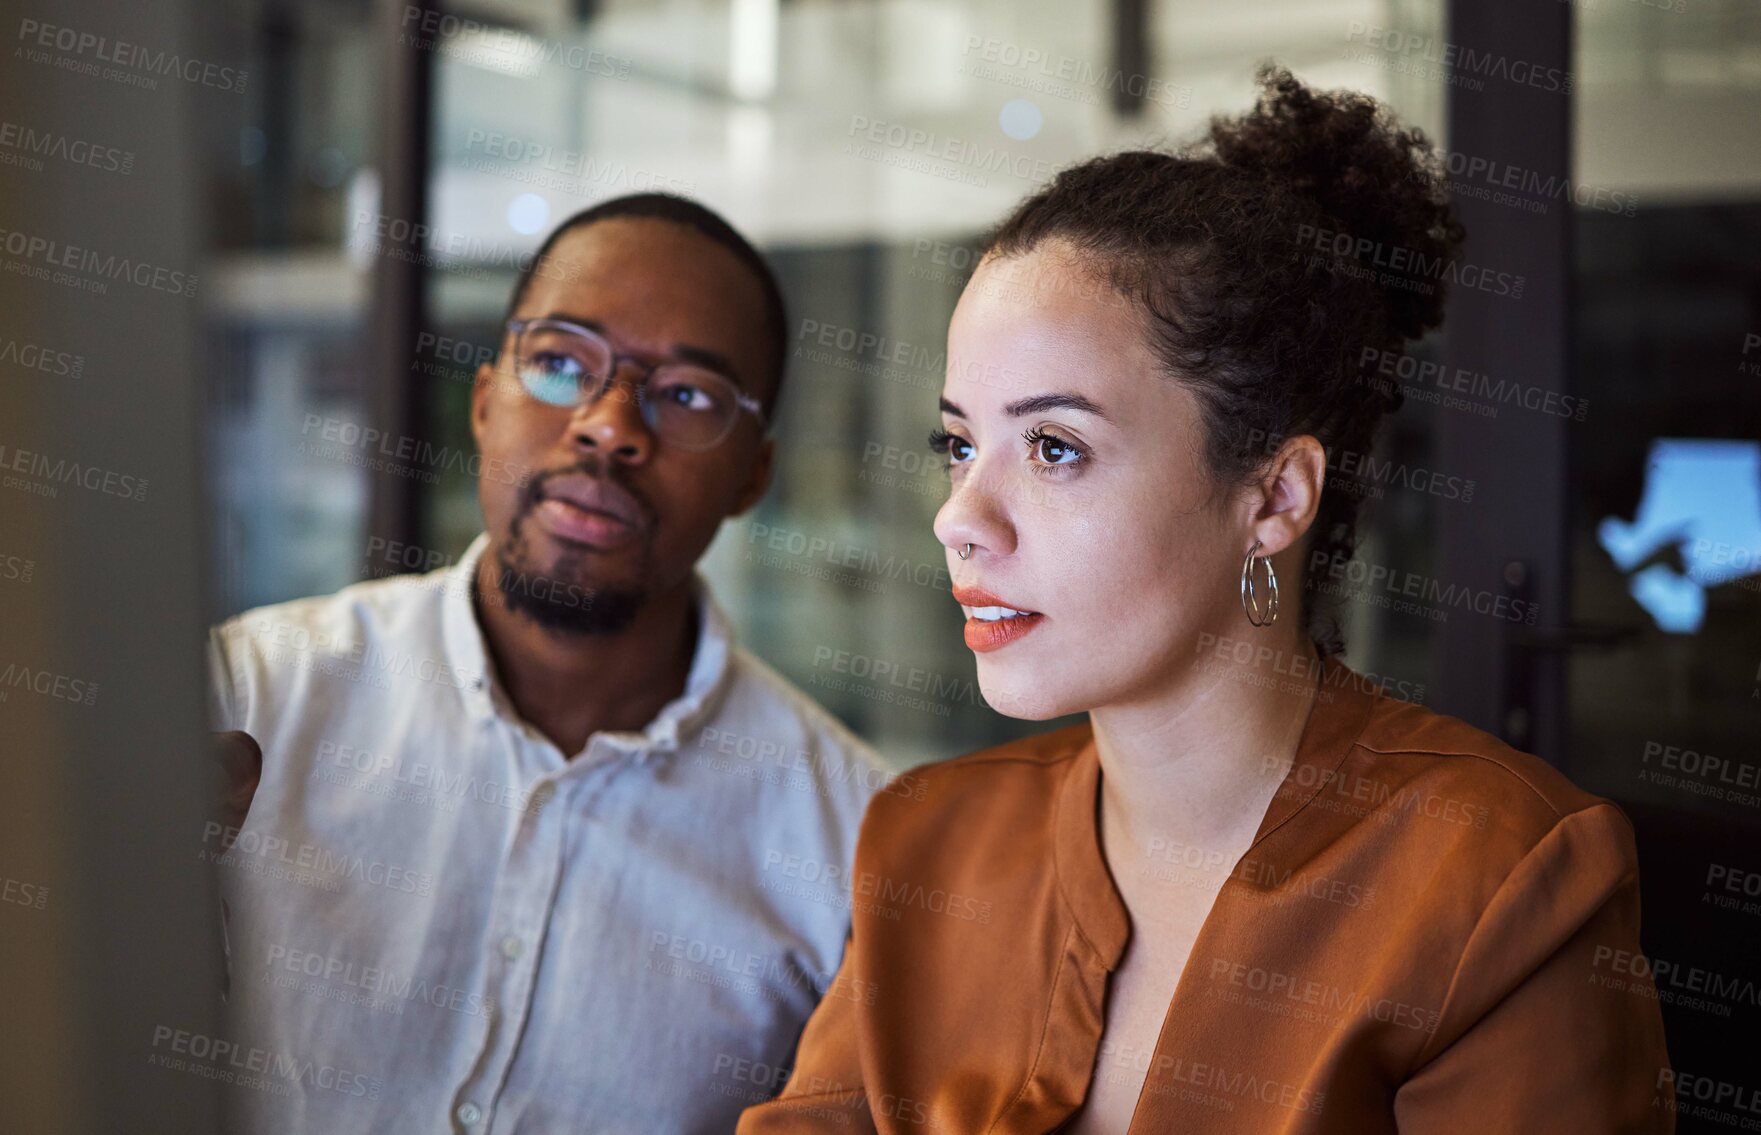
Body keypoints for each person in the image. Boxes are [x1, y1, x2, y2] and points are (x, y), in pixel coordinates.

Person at [738, 66, 1673, 1133]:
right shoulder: (927, 841)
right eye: (959, 444)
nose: (960, 515)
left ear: (1274, 495)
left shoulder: (1501, 879)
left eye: (1053, 447)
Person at [204, 193, 892, 1134]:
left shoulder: (850, 845)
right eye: (562, 363)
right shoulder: (251, 698)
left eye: (688, 392)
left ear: (752, 477)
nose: (610, 426)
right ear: (486, 402)